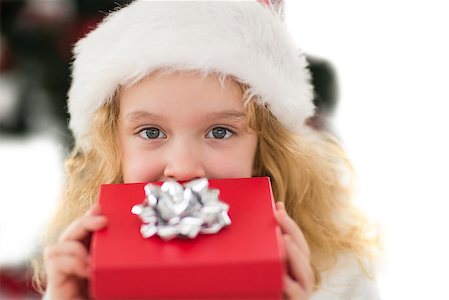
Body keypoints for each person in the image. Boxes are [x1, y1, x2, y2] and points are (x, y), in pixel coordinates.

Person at [32, 1, 380, 299]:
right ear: (114, 146)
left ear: (266, 147)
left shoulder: (333, 272)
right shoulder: (87, 269)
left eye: (220, 131)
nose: (183, 168)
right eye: (151, 131)